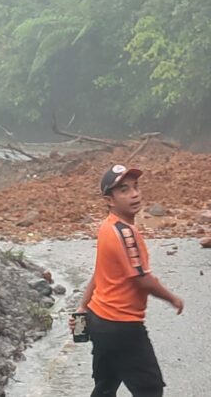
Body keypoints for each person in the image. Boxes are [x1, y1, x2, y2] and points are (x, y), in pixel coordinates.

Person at [70, 164, 184, 397]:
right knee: (150, 389)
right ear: (109, 200)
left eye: (135, 187)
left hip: (100, 320)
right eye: (123, 190)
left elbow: (99, 273)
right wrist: (172, 298)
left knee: (105, 385)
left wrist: (83, 307)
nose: (134, 194)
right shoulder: (125, 233)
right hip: (121, 326)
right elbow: (142, 279)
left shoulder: (106, 227)